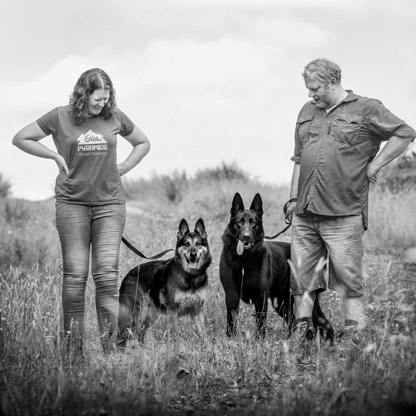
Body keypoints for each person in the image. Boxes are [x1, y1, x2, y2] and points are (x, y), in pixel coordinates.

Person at [12, 68, 151, 360]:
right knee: (75, 277)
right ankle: (73, 354)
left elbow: (143, 143)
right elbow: (21, 138)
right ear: (83, 93)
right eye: (98, 98)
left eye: (106, 98)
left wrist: (122, 168)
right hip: (71, 204)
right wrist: (53, 155)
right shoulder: (60, 116)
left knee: (107, 277)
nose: (102, 104)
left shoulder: (115, 116)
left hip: (110, 205)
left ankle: (110, 351)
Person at [286, 58, 415, 358]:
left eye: (315, 89)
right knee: (301, 277)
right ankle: (301, 330)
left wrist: (376, 164)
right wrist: (293, 200)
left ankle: (353, 337)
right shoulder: (306, 112)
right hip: (305, 212)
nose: (310, 95)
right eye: (308, 89)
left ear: (333, 82)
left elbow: (405, 133)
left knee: (347, 278)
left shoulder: (366, 108)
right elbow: (297, 159)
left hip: (344, 212)